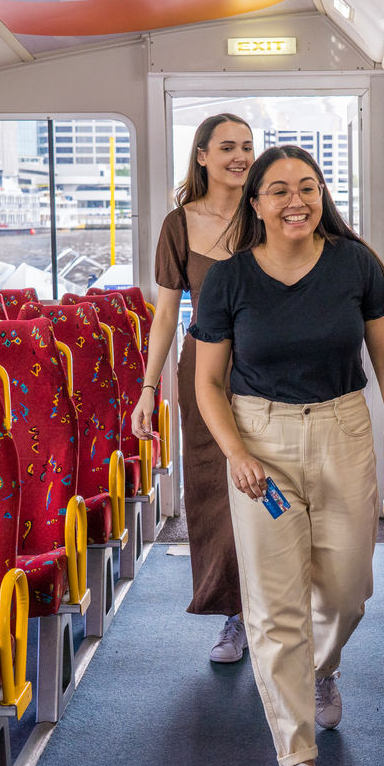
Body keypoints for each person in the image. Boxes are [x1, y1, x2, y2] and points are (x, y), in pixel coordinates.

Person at [191, 145, 384, 766]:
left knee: (349, 590)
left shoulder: (357, 264)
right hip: (260, 443)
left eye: (309, 187)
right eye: (280, 190)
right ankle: (297, 757)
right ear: (257, 204)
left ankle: (322, 668)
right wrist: (236, 452)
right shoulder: (228, 279)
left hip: (344, 432)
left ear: (322, 196)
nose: (297, 200)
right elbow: (209, 382)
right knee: (273, 609)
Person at [132, 113, 254, 663]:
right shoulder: (178, 224)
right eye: (227, 146)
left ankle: (275, 604)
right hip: (201, 368)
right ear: (202, 156)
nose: (240, 156)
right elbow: (163, 316)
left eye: (248, 147)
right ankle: (233, 612)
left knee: (269, 480)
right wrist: (147, 388)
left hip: (266, 366)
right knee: (212, 490)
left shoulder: (268, 211)